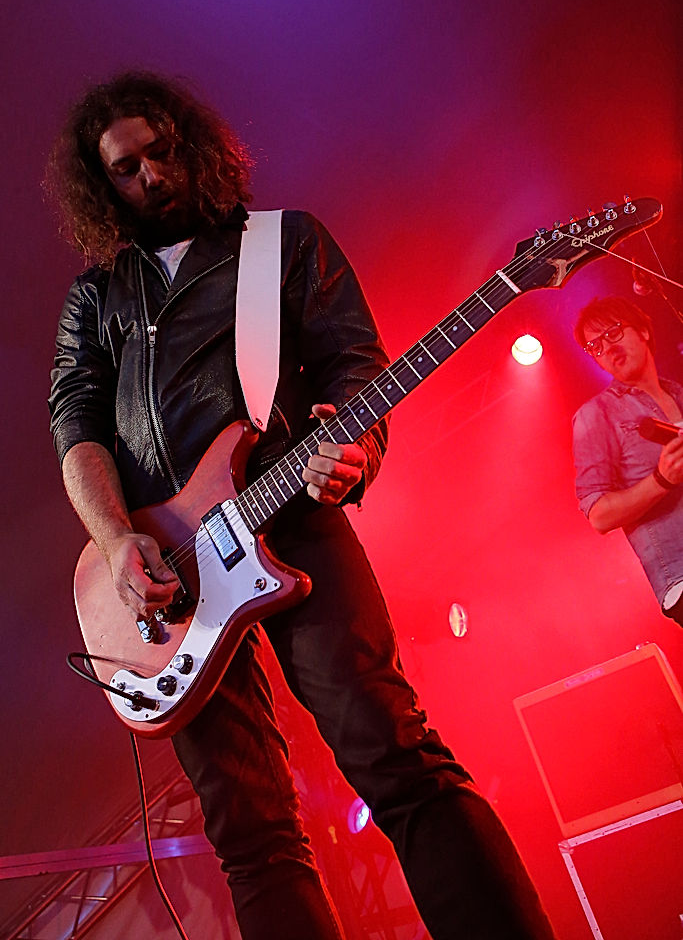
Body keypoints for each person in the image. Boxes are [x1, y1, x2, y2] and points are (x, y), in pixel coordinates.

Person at [47, 70, 556, 939]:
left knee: (397, 760)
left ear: (190, 142)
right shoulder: (95, 300)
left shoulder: (281, 243)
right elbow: (76, 426)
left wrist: (354, 455)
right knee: (252, 836)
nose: (152, 177)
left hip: (297, 526)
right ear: (104, 186)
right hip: (171, 585)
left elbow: (356, 366)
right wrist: (117, 537)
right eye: (126, 169)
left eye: (161, 152)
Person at [573, 295, 683, 627]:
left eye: (613, 332)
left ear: (644, 331)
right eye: (595, 346)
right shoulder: (596, 416)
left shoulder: (678, 392)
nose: (606, 347)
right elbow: (600, 516)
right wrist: (661, 480)